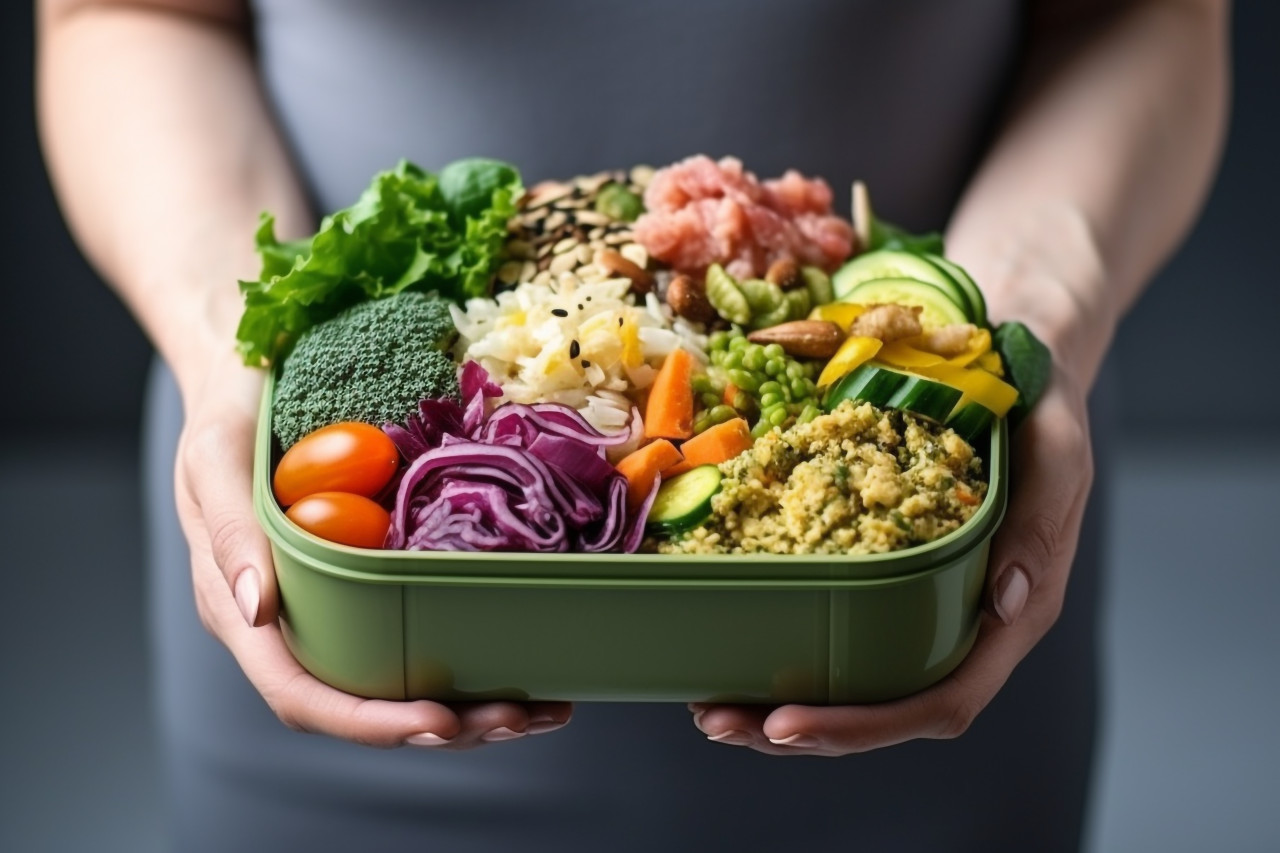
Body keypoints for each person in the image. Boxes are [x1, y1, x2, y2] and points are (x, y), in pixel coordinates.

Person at [36, 0, 1229, 849]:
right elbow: (126, 16)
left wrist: (1027, 318)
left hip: (919, 643)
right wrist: (224, 343)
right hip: (344, 616)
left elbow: (1136, 15)